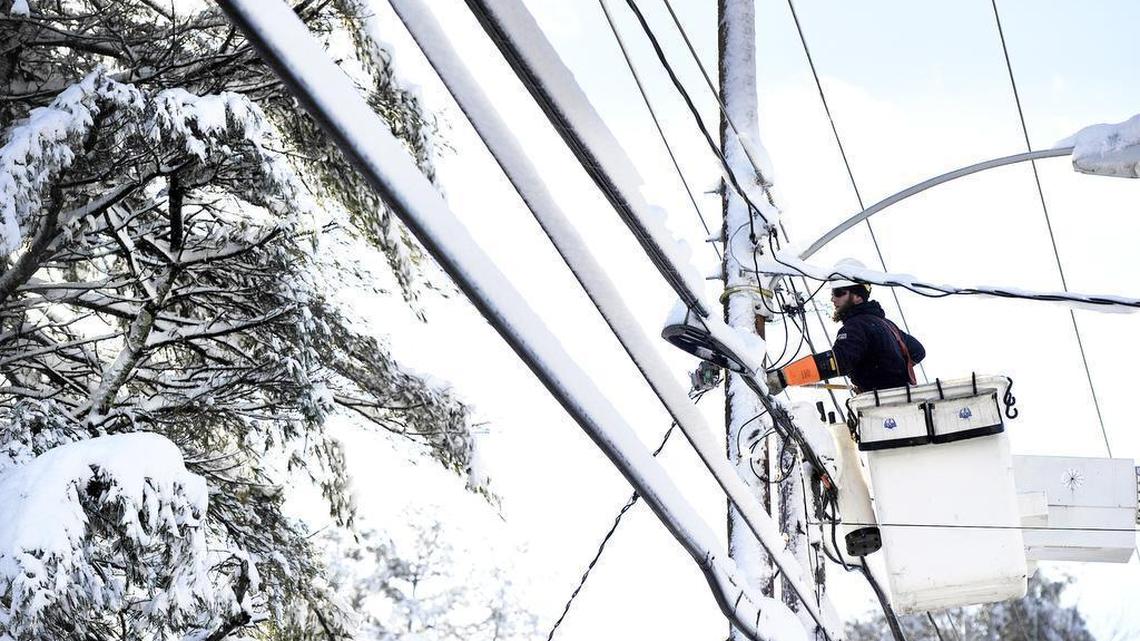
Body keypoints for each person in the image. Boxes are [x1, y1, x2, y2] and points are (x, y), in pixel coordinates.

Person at [766, 266, 925, 394]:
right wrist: (883, 372)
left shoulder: (857, 325)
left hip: (884, 408)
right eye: (833, 293)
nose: (833, 299)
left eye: (839, 292)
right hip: (902, 399)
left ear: (857, 297)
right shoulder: (887, 324)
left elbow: (839, 361)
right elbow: (917, 351)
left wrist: (784, 378)